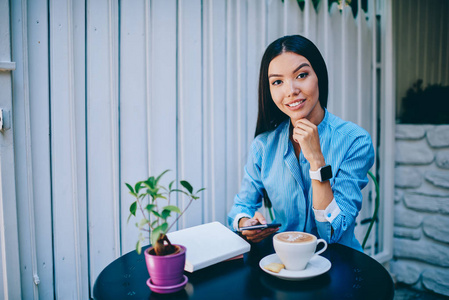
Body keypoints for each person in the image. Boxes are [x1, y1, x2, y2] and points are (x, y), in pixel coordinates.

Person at [227, 35, 374, 252]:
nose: (291, 90)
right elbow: (241, 208)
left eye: (301, 75)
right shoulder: (263, 146)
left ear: (318, 77)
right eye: (278, 81)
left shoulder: (355, 141)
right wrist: (245, 223)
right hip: (285, 262)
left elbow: (334, 232)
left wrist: (317, 161)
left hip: (340, 264)